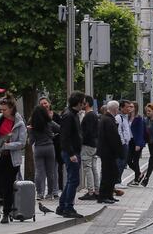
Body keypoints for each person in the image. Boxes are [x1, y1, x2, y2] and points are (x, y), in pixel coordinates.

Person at [0, 96, 26, 223]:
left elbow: (22, 143)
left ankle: (6, 213)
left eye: (5, 109)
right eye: (1, 109)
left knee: (7, 186)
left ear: (12, 108)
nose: (2, 112)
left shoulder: (19, 123)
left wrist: (7, 146)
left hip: (10, 159)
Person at [56, 91, 85, 219]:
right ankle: (68, 207)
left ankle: (62, 206)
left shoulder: (71, 114)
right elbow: (65, 137)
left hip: (72, 151)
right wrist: (71, 153)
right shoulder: (69, 116)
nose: (84, 104)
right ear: (78, 103)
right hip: (71, 153)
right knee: (74, 180)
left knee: (71, 180)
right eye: (83, 102)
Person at [30, 99, 60, 200]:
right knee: (50, 172)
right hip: (50, 148)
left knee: (39, 172)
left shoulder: (33, 126)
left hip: (38, 148)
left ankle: (39, 193)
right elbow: (60, 129)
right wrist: (52, 135)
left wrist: (29, 131)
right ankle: (50, 193)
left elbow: (31, 142)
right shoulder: (49, 123)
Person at [96, 101, 121, 204]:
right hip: (108, 152)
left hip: (108, 151)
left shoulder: (107, 119)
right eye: (118, 108)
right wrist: (119, 150)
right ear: (115, 109)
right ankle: (103, 196)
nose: (118, 110)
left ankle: (109, 195)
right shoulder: (108, 120)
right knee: (107, 174)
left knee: (112, 173)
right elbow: (113, 138)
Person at [79, 96, 100, 200]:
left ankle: (91, 191)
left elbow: (87, 132)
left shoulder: (89, 116)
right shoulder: (94, 115)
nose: (81, 104)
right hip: (94, 144)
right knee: (93, 167)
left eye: (82, 102)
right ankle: (96, 190)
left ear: (86, 104)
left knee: (88, 168)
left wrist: (81, 140)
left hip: (87, 145)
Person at [115, 101, 133, 190]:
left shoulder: (125, 117)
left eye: (129, 107)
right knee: (120, 162)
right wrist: (123, 142)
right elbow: (119, 131)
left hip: (126, 143)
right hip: (122, 144)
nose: (128, 109)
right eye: (126, 107)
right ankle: (117, 181)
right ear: (121, 108)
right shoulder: (119, 118)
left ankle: (119, 180)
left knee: (123, 162)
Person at [128, 103, 147, 185]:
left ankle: (136, 179)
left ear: (135, 108)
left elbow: (140, 132)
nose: (129, 108)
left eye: (131, 106)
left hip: (137, 141)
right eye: (129, 106)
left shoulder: (139, 118)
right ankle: (139, 174)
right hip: (130, 141)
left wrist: (138, 144)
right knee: (128, 160)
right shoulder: (127, 118)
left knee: (135, 160)